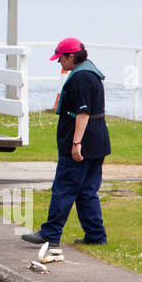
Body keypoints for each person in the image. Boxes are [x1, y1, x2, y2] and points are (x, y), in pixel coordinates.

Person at [22, 37, 111, 248]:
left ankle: (51, 233)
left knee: (64, 188)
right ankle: (96, 235)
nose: (58, 63)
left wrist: (76, 143)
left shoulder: (80, 78)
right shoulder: (92, 73)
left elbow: (83, 112)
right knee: (87, 191)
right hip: (98, 139)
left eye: (60, 59)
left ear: (71, 56)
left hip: (84, 141)